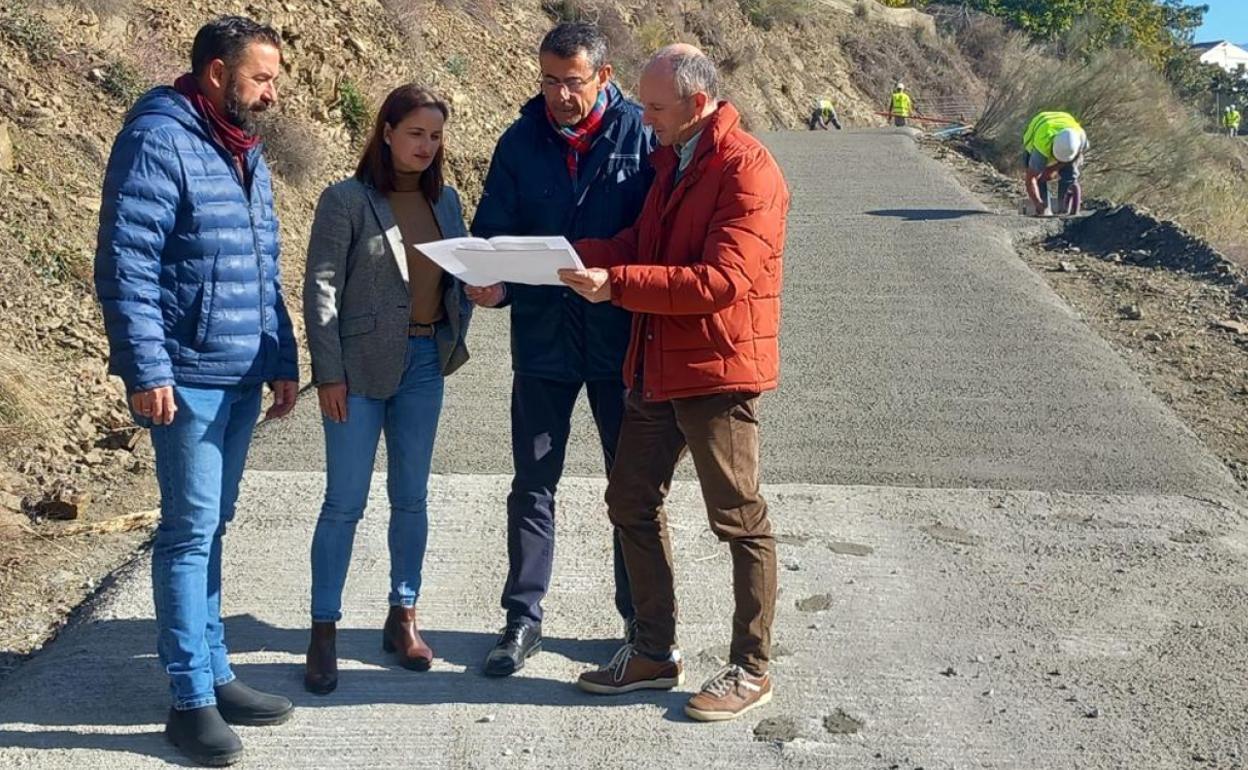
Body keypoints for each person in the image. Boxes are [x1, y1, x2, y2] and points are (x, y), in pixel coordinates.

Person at [560, 43, 789, 723]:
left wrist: (617, 285)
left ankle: (751, 667)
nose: (643, 116)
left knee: (739, 520)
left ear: (695, 103)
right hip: (657, 366)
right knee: (629, 501)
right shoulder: (676, 159)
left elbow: (721, 283)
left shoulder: (748, 169)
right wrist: (571, 256)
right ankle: (654, 651)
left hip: (717, 373)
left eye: (654, 107)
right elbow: (642, 245)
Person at [94, 16, 298, 767]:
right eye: (261, 78)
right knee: (186, 533)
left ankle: (216, 673)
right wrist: (147, 369)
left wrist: (280, 355)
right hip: (187, 379)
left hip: (243, 375)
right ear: (216, 73)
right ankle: (189, 700)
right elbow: (127, 262)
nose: (271, 93)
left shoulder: (243, 148)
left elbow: (262, 261)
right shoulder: (159, 138)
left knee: (212, 528)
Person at [468, 22, 655, 678]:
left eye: (572, 81)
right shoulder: (519, 142)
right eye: (548, 80)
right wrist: (492, 282)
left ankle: (640, 622)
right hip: (543, 344)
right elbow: (492, 229)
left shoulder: (643, 136)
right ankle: (522, 620)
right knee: (532, 485)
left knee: (629, 488)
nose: (559, 94)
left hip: (622, 342)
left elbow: (659, 236)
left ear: (603, 77)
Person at [302, 85, 473, 694]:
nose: (426, 146)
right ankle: (324, 630)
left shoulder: (446, 201)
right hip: (358, 370)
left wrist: (471, 304)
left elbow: (459, 274)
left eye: (434, 136)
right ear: (387, 133)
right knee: (344, 502)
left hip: (425, 363)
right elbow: (320, 290)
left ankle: (404, 616)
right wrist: (328, 374)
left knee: (411, 498)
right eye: (415, 133)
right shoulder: (346, 200)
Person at [1022, 110, 1089, 217]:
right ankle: (1041, 206)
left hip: (1065, 124)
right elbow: (1031, 179)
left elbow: (1076, 156)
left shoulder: (1080, 138)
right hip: (1041, 125)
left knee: (1070, 175)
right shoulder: (1042, 144)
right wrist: (1038, 202)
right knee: (1039, 178)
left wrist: (1054, 169)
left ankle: (1061, 204)